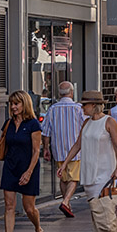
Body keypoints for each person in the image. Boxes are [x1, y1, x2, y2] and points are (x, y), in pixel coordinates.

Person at [58, 91, 117, 232]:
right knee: (94, 208)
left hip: (105, 171)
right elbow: (77, 144)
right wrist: (65, 164)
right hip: (88, 169)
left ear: (94, 105)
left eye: (84, 104)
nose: (82, 107)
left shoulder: (109, 122)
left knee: (98, 207)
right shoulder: (86, 123)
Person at [0, 90, 48, 232]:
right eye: (11, 104)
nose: (13, 107)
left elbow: (36, 151)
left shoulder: (33, 124)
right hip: (10, 167)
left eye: (16, 104)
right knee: (9, 206)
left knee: (29, 208)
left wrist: (28, 172)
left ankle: (38, 228)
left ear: (24, 104)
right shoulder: (9, 124)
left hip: (29, 168)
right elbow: (1, 144)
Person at [41, 81, 85, 218]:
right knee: (74, 178)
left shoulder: (52, 109)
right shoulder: (78, 109)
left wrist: (46, 148)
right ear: (71, 92)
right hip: (75, 150)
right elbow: (86, 127)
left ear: (60, 94)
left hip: (58, 149)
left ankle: (67, 204)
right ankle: (66, 201)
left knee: (63, 178)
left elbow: (46, 132)